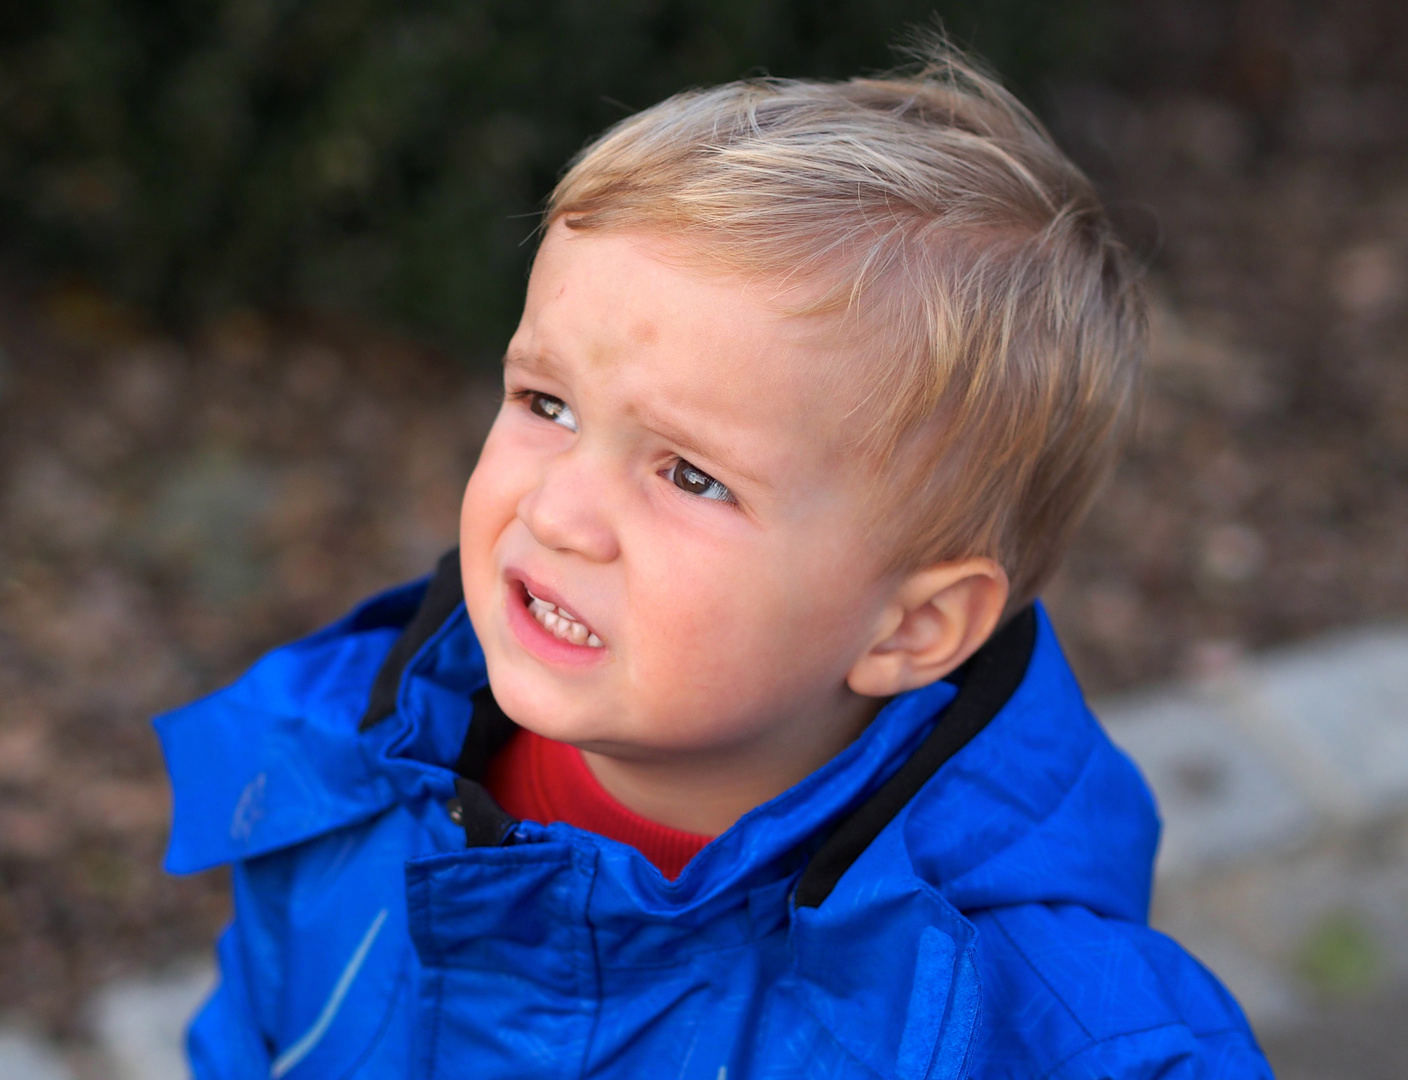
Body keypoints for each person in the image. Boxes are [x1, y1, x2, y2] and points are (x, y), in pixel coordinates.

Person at [157, 42, 1273, 1079]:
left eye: (690, 475)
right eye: (546, 402)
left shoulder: (1025, 1036)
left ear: (910, 629)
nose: (558, 510)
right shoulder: (339, 767)